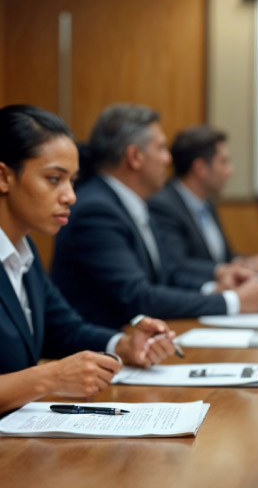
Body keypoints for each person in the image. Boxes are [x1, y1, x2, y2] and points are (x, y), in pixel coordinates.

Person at [0, 104, 178, 414]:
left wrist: (123, 344)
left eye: (72, 180)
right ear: (4, 177)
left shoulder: (22, 250)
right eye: (54, 179)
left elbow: (64, 329)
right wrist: (48, 378)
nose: (70, 196)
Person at [51, 104, 258, 329]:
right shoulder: (98, 211)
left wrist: (216, 287)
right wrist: (234, 301)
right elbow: (139, 297)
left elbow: (169, 274)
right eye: (160, 148)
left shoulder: (132, 203)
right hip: (103, 351)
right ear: (135, 157)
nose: (168, 159)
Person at [149, 126, 258, 282]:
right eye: (224, 162)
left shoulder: (207, 203)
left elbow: (222, 258)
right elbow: (176, 265)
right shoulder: (163, 205)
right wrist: (224, 271)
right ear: (200, 168)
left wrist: (248, 263)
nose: (230, 171)